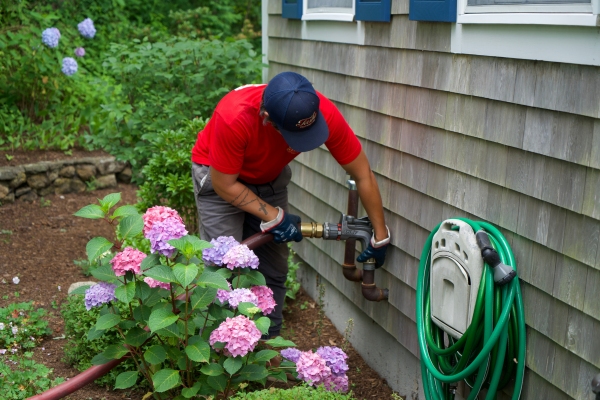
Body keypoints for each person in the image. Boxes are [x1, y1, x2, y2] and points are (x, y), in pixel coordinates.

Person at [191, 71, 390, 338]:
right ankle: (222, 352)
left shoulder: (317, 109)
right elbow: (225, 186)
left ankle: (267, 345)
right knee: (223, 268)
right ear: (266, 117)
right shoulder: (234, 116)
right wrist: (277, 217)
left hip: (270, 177)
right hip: (220, 178)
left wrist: (380, 235)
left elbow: (362, 173)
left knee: (274, 269)